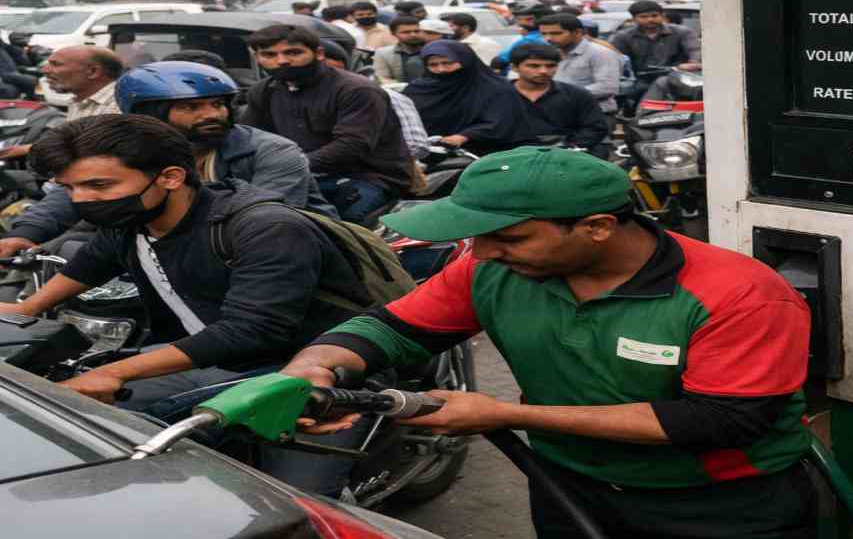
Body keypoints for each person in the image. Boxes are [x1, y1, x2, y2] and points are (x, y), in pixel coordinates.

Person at [282, 146, 818, 539]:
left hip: (719, 508)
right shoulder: (491, 271)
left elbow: (721, 421)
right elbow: (392, 329)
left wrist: (505, 415)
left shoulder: (738, 295)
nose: (483, 252)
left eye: (509, 237)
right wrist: (317, 364)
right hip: (569, 487)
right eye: (478, 236)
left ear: (598, 227)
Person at [0, 114, 382, 494]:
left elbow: (251, 330)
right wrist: (26, 309)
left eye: (98, 185)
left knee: (292, 502)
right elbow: (91, 263)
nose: (81, 200)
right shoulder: (130, 222)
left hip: (305, 371)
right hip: (205, 359)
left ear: (170, 177)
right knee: (79, 427)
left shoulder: (265, 227)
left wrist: (115, 373)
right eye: (69, 188)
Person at [0, 61, 338, 257]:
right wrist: (26, 234)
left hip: (273, 250)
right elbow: (76, 191)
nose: (212, 114)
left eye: (218, 104)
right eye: (191, 107)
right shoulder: (126, 149)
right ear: (148, 113)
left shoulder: (272, 150)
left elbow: (269, 220)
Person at [240, 25, 415, 224]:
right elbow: (251, 139)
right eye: (269, 55)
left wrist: (289, 166)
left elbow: (351, 146)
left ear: (319, 53)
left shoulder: (356, 89)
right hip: (297, 174)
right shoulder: (263, 91)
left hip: (368, 177)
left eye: (293, 52)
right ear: (257, 58)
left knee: (337, 229)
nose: (282, 61)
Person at [403, 40, 533, 154]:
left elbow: (503, 122)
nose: (441, 69)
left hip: (487, 155)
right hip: (430, 154)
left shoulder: (497, 88)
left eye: (447, 63)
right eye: (433, 65)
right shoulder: (418, 90)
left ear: (465, 61)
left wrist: (464, 136)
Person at [0, 46, 123, 161]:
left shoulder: (119, 106)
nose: (45, 70)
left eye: (56, 64)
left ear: (93, 71)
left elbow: (92, 153)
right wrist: (28, 149)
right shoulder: (80, 101)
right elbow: (73, 143)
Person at [510, 44, 609, 157]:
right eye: (534, 66)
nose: (543, 71)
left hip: (566, 155)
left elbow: (595, 128)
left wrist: (567, 148)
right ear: (514, 67)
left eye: (551, 66)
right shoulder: (499, 96)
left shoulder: (577, 95)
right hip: (510, 155)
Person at [538, 13, 622, 117]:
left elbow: (607, 87)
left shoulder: (600, 53)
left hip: (592, 114)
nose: (548, 38)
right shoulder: (549, 53)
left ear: (577, 33)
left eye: (556, 33)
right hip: (556, 112)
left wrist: (561, 95)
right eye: (544, 34)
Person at [611, 0, 702, 74]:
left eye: (654, 16)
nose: (650, 19)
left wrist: (692, 64)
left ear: (662, 16)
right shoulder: (623, 36)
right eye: (643, 17)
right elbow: (615, 57)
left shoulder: (682, 32)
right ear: (634, 19)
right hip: (639, 79)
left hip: (675, 77)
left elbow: (695, 50)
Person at [494, 2, 552, 69]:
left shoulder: (529, 40)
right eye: (518, 19)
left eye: (529, 19)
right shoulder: (544, 35)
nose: (522, 23)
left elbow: (500, 61)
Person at [373, 16, 426, 85]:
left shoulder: (433, 50)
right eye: (406, 32)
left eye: (417, 31)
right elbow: (382, 78)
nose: (413, 35)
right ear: (393, 34)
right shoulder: (383, 53)